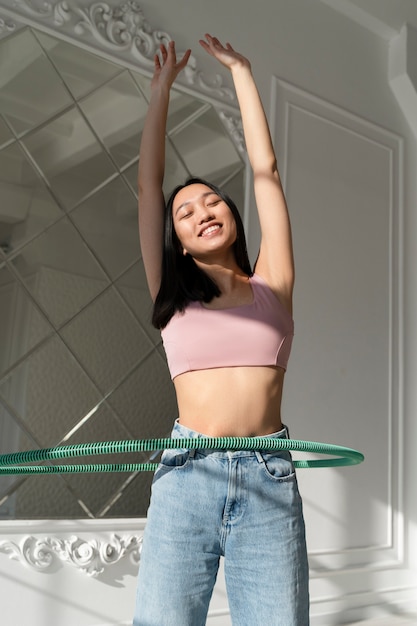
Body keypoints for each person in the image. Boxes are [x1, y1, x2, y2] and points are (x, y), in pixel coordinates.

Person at [134, 34, 309, 626]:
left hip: (268, 474)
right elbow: (147, 190)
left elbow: (267, 173)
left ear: (232, 218)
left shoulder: (273, 284)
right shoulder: (171, 296)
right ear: (176, 242)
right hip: (187, 475)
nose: (202, 212)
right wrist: (161, 91)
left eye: (213, 202)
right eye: (186, 213)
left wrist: (241, 73)